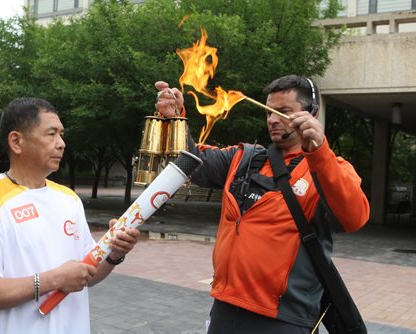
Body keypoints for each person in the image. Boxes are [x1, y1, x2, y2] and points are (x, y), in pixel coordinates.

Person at [155, 75, 369, 333]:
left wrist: (320, 151)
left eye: (284, 112)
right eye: (270, 112)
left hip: (283, 319)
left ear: (311, 114)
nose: (273, 119)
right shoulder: (243, 157)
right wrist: (174, 119)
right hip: (225, 306)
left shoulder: (329, 168)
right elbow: (191, 162)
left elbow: (354, 217)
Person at [0, 97, 140, 334]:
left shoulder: (69, 199)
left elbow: (87, 275)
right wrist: (54, 280)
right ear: (16, 141)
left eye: (62, 134)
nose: (61, 143)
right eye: (51, 134)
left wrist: (114, 253)